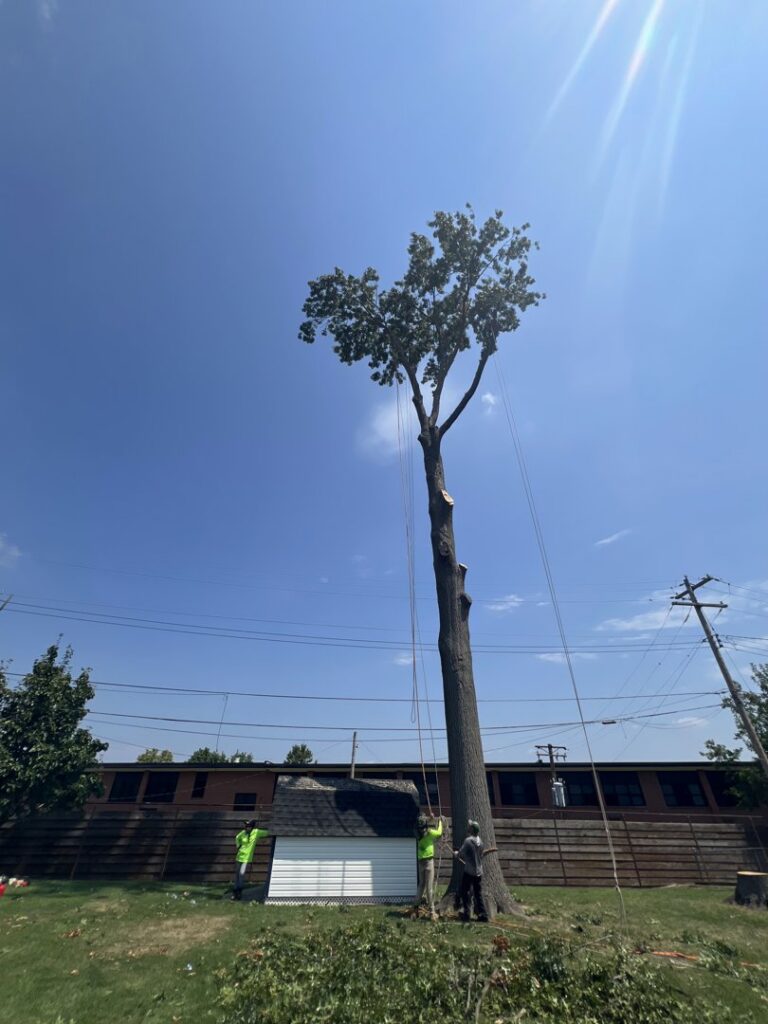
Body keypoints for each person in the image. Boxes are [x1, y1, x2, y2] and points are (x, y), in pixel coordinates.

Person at [453, 819, 490, 922]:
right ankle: (483, 915)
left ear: (472, 829)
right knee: (478, 894)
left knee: (465, 891)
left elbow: (460, 853)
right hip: (479, 872)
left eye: (470, 826)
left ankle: (466, 914)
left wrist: (456, 854)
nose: (468, 827)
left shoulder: (468, 840)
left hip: (469, 872)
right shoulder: (481, 842)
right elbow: (480, 855)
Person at [414, 813, 443, 919]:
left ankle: (415, 908)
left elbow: (422, 823)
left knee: (421, 885)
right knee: (429, 888)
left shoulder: (417, 833)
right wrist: (440, 822)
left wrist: (430, 819)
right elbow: (439, 832)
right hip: (429, 862)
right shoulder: (430, 833)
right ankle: (432, 911)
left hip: (420, 861)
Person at [232, 819, 269, 901]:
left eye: (249, 826)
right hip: (239, 857)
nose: (247, 828)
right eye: (246, 826)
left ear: (252, 827)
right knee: (237, 875)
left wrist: (273, 830)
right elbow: (237, 838)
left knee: (241, 875)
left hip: (246, 859)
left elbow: (267, 833)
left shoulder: (256, 832)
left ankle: (239, 893)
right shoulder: (242, 833)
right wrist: (238, 846)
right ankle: (235, 893)